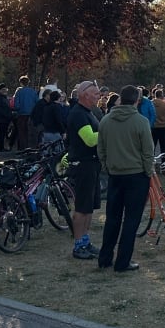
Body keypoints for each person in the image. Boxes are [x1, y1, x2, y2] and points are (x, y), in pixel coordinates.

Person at [94, 85, 153, 272]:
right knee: (131, 220)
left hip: (115, 174)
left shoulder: (106, 121)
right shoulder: (141, 122)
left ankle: (105, 258)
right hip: (136, 175)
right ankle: (123, 261)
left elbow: (101, 148)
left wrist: (107, 166)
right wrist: (148, 172)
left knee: (112, 218)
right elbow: (148, 152)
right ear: (137, 101)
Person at [66, 80, 102, 245]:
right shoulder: (79, 114)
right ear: (85, 95)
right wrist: (107, 131)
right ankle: (79, 244)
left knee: (89, 207)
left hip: (92, 164)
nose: (98, 96)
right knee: (82, 208)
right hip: (83, 165)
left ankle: (85, 242)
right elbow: (89, 139)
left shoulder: (89, 112)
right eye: (96, 93)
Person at [13, 76, 38, 149]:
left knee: (22, 134)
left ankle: (23, 148)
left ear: (21, 83)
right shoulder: (33, 92)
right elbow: (37, 102)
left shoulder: (19, 92)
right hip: (31, 115)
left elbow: (16, 105)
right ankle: (31, 148)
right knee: (30, 133)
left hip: (21, 115)